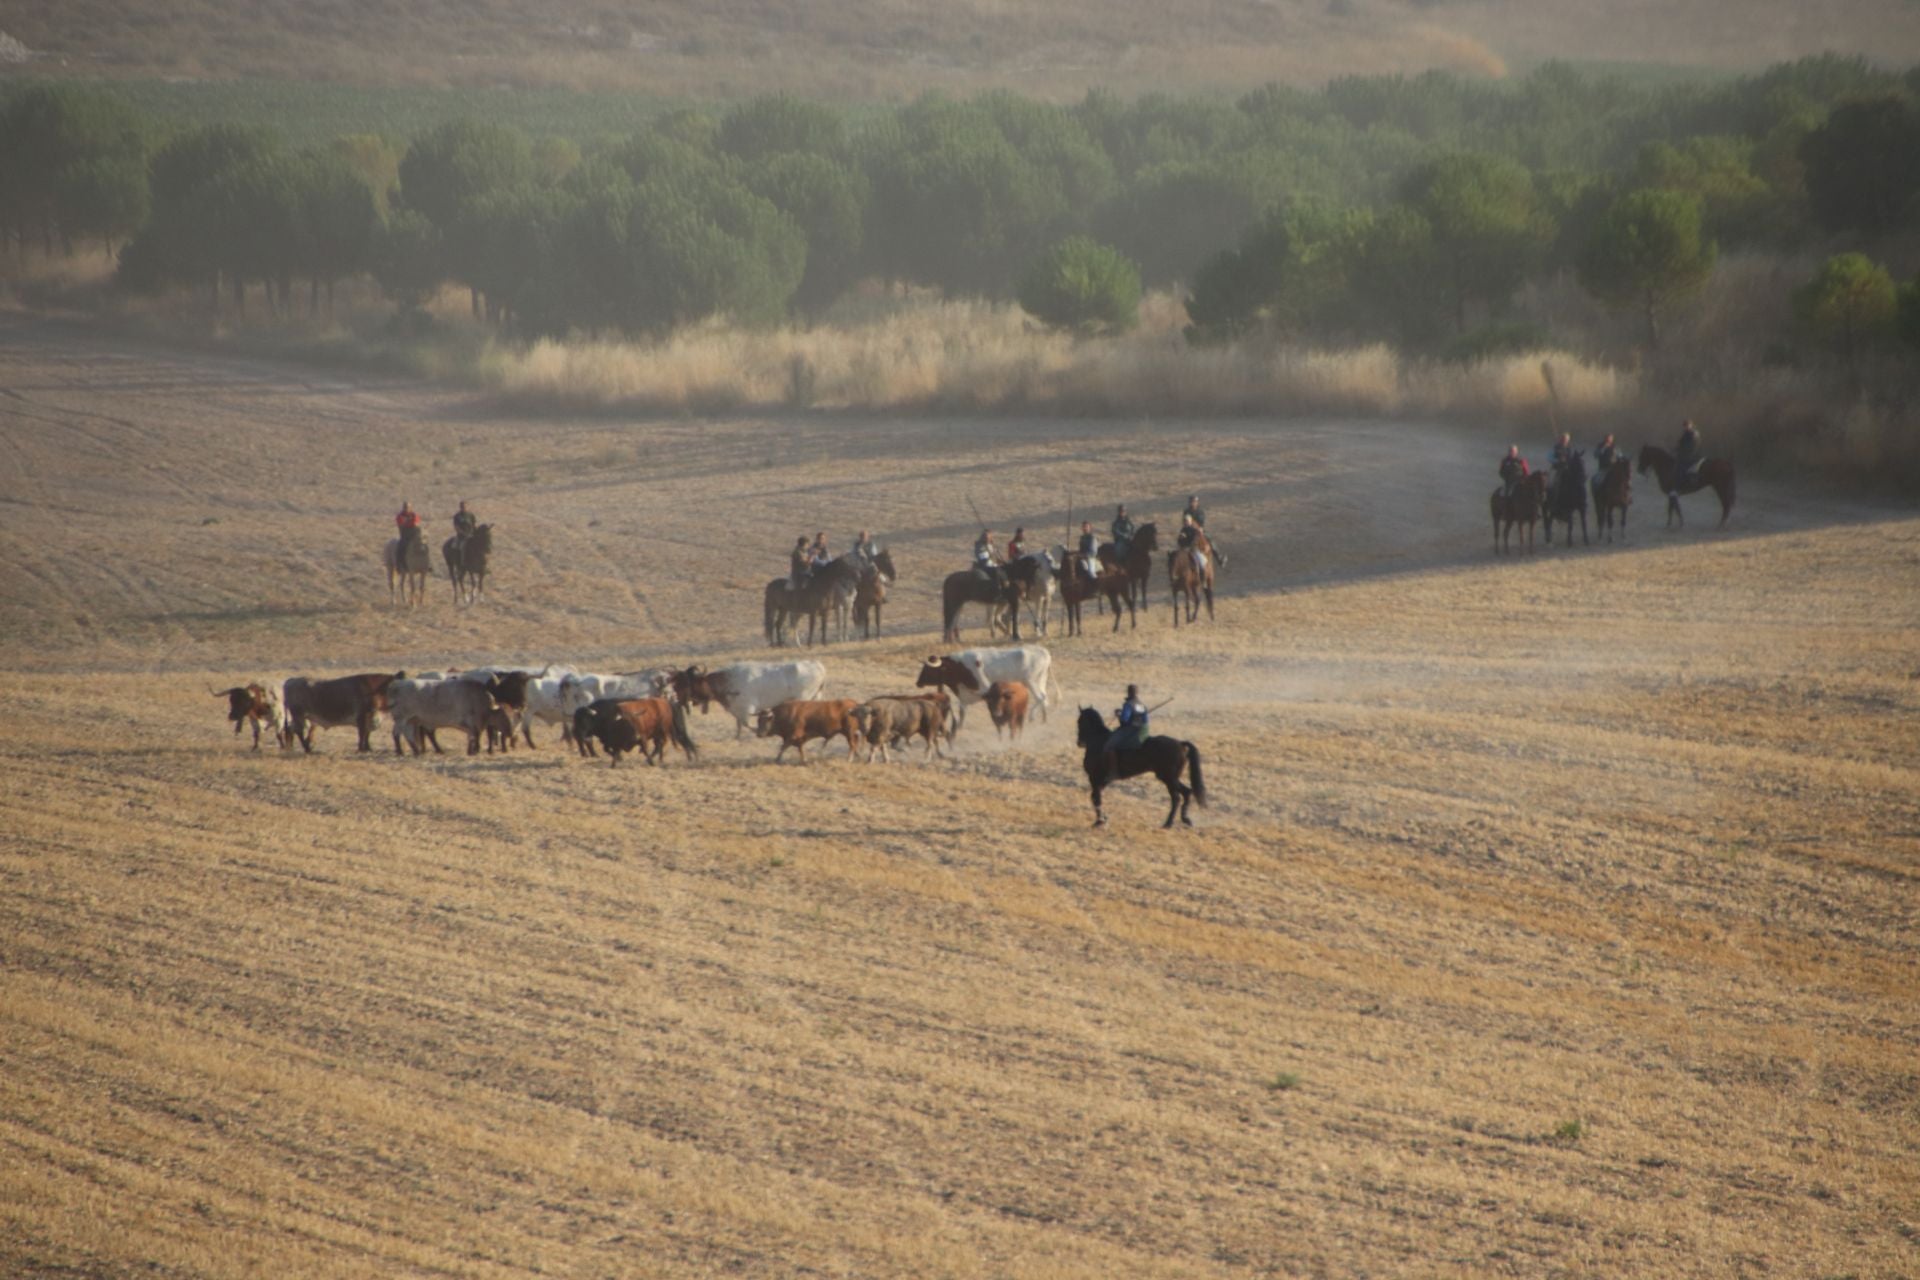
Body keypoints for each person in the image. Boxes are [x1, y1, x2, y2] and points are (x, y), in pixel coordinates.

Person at [1103, 683, 1150, 780]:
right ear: (1137, 692)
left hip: (1130, 730)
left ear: (1128, 692)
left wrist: (1118, 714)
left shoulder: (1128, 704)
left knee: (1109, 746)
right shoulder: (1141, 705)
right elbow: (1145, 720)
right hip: (1142, 730)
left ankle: (1113, 771)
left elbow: (1124, 719)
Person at [1675, 419, 1700, 484]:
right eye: (1685, 425)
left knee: (1681, 466)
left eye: (1688, 425)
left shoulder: (1694, 433)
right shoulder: (1685, 433)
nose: (1686, 427)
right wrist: (1676, 448)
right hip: (1684, 453)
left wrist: (1683, 450)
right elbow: (1681, 443)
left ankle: (1684, 481)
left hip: (1691, 454)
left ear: (1691, 425)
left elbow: (1693, 445)